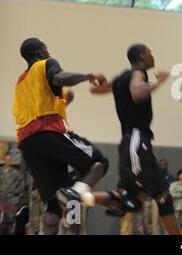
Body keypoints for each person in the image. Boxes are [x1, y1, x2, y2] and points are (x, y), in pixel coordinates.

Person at [12, 37, 110, 235]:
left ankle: (70, 198)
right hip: (49, 134)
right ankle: (74, 194)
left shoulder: (21, 82)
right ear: (40, 51)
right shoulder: (47, 63)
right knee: (98, 162)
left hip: (28, 144)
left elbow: (37, 110)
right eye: (46, 48)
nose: (48, 51)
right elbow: (58, 77)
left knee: (53, 204)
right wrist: (87, 75)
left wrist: (64, 103)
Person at [89, 43, 180, 235]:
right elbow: (138, 93)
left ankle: (79, 197)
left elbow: (97, 90)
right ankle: (78, 197)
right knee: (135, 200)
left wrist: (99, 85)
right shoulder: (138, 74)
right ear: (141, 56)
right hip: (136, 141)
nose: (152, 56)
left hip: (133, 141)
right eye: (150, 52)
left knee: (157, 198)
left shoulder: (123, 76)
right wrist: (159, 82)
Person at [0, 153, 25, 234]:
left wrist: (16, 193)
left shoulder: (15, 172)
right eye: (6, 159)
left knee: (10, 223)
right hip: (0, 200)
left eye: (9, 159)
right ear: (4, 160)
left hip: (11, 201)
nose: (7, 161)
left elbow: (22, 183)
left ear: (11, 160)